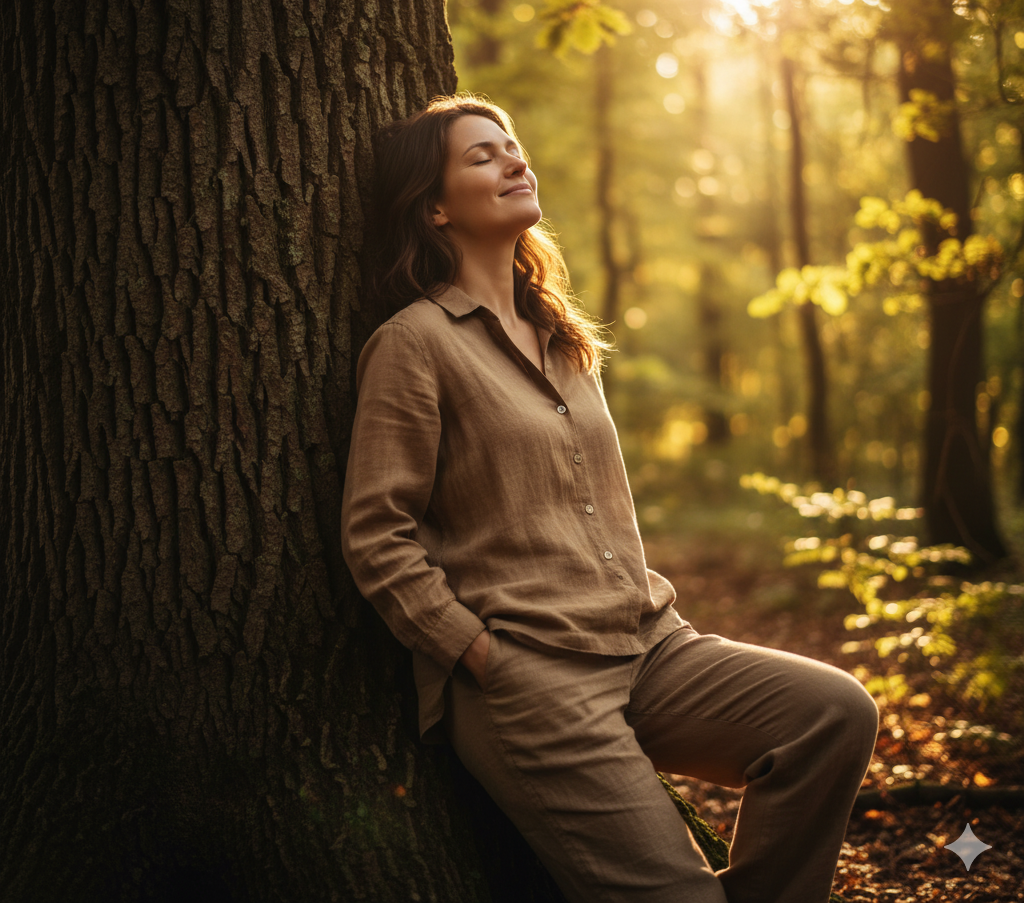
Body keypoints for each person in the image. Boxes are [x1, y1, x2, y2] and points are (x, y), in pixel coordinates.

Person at [341, 93, 878, 903]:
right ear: (436, 209)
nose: (514, 160)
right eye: (482, 156)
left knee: (833, 714)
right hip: (532, 677)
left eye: (512, 145)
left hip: (654, 647)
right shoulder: (413, 344)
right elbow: (377, 534)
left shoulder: (562, 337)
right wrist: (480, 654)